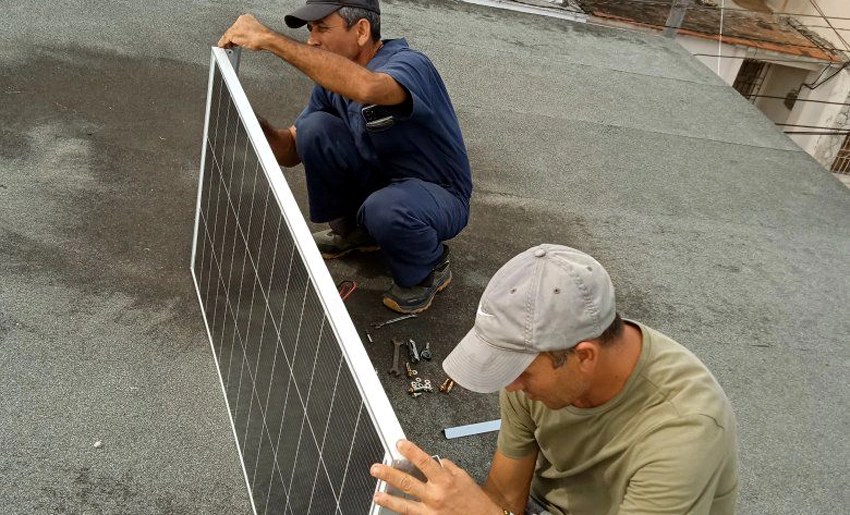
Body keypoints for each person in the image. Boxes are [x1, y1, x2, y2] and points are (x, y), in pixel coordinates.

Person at [370, 244, 739, 515]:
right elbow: (505, 500)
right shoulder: (532, 375)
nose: (511, 385)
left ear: (584, 356)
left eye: (521, 371)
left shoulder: (684, 433)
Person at [217, 0, 472, 314]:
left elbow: (368, 87)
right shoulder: (332, 85)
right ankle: (355, 232)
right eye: (310, 30)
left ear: (362, 31)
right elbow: (290, 150)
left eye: (323, 28)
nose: (312, 40)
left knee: (387, 208)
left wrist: (270, 40)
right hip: (385, 184)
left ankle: (429, 266)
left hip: (437, 196)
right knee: (313, 128)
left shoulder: (410, 65)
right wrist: (251, 122)